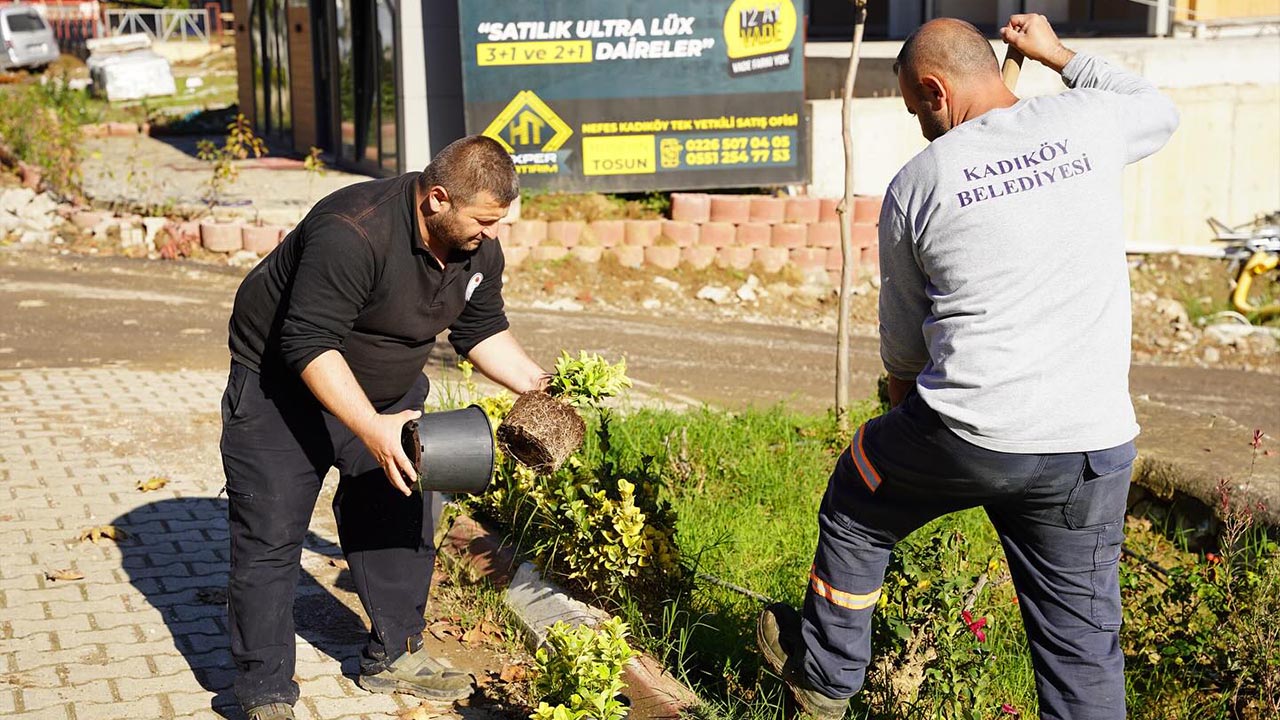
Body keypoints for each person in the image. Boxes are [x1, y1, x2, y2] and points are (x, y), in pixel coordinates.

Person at [756, 14, 1178, 720]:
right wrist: (1059, 56)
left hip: (969, 432)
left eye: (915, 109)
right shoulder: (1089, 122)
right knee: (1080, 650)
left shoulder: (920, 182)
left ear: (935, 90)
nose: (920, 124)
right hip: (1092, 445)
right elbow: (1158, 110)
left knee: (859, 497)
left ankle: (825, 682)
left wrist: (903, 432)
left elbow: (905, 351)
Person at [220, 135, 548, 720]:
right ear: (438, 199)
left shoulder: (476, 249)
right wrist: (370, 427)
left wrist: (540, 387)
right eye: (484, 221)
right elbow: (308, 342)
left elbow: (480, 330)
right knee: (270, 534)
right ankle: (264, 688)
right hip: (283, 389)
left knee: (400, 514)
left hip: (387, 393)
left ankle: (394, 654)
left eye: (499, 221)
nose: (493, 234)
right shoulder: (353, 230)